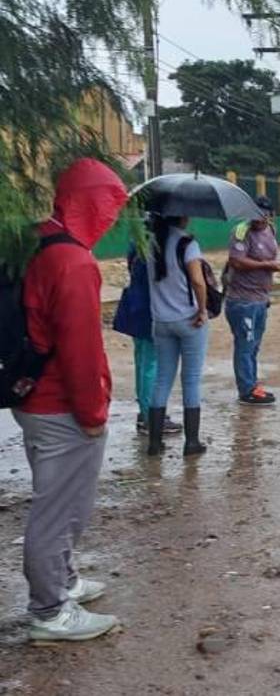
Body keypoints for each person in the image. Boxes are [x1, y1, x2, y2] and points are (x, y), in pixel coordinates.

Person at [17, 158, 127, 641]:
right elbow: (80, 346)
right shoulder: (74, 261)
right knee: (60, 509)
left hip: (35, 398)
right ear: (92, 203)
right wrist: (93, 414)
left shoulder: (42, 241)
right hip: (62, 407)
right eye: (111, 206)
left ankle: (64, 582)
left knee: (58, 502)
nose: (114, 218)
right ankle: (49, 610)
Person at [146, 215, 210, 457]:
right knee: (191, 380)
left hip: (161, 321)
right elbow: (198, 281)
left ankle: (154, 443)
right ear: (181, 215)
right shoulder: (187, 244)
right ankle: (191, 442)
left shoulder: (151, 243)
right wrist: (202, 310)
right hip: (189, 320)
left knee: (162, 379)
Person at [112, 244, 182, 436]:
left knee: (143, 361)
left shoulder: (137, 241)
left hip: (137, 305)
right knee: (151, 363)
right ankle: (151, 415)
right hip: (151, 308)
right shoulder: (158, 245)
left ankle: (146, 413)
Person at [224, 196, 280, 406]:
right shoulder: (242, 231)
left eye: (263, 215)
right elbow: (236, 261)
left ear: (270, 215)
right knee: (245, 344)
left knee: (254, 345)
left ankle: (252, 383)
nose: (258, 219)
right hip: (242, 300)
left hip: (260, 299)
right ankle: (247, 390)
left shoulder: (271, 230)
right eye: (254, 214)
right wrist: (267, 265)